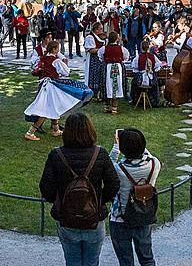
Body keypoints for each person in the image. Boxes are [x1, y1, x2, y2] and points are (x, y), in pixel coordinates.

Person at [39, 112, 119, 266]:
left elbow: (46, 187)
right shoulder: (100, 154)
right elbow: (113, 183)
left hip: (66, 217)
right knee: (92, 262)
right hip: (94, 216)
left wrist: (58, 200)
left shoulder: (56, 155)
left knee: (72, 261)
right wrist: (100, 200)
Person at [108, 128, 160, 266]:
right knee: (147, 258)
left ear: (123, 148)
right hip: (143, 214)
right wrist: (137, 141)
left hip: (120, 218)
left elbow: (108, 163)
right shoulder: (154, 164)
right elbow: (146, 153)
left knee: (125, 262)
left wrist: (115, 147)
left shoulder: (118, 170)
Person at [24, 41, 90, 141]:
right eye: (57, 48)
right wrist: (64, 64)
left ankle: (56, 129)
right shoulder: (56, 60)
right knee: (45, 109)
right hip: (51, 86)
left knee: (53, 106)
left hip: (45, 84)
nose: (58, 50)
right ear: (54, 49)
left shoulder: (43, 58)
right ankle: (30, 132)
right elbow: (66, 72)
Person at [130, 40, 165, 107]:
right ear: (148, 47)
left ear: (141, 48)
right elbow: (159, 65)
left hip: (140, 81)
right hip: (151, 80)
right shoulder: (153, 56)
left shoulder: (138, 57)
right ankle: (154, 101)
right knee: (155, 85)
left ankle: (135, 100)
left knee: (134, 82)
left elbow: (134, 68)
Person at [99, 31, 126, 114]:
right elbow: (125, 57)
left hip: (108, 67)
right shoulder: (121, 48)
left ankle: (107, 106)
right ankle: (114, 107)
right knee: (116, 86)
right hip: (117, 67)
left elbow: (100, 56)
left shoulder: (104, 48)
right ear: (117, 39)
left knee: (108, 85)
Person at [84, 22, 107, 99]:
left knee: (100, 75)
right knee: (93, 75)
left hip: (100, 60)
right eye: (100, 29)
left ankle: (99, 93)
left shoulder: (100, 37)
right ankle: (92, 93)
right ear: (95, 30)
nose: (102, 30)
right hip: (93, 60)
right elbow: (90, 50)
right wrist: (102, 49)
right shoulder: (90, 37)